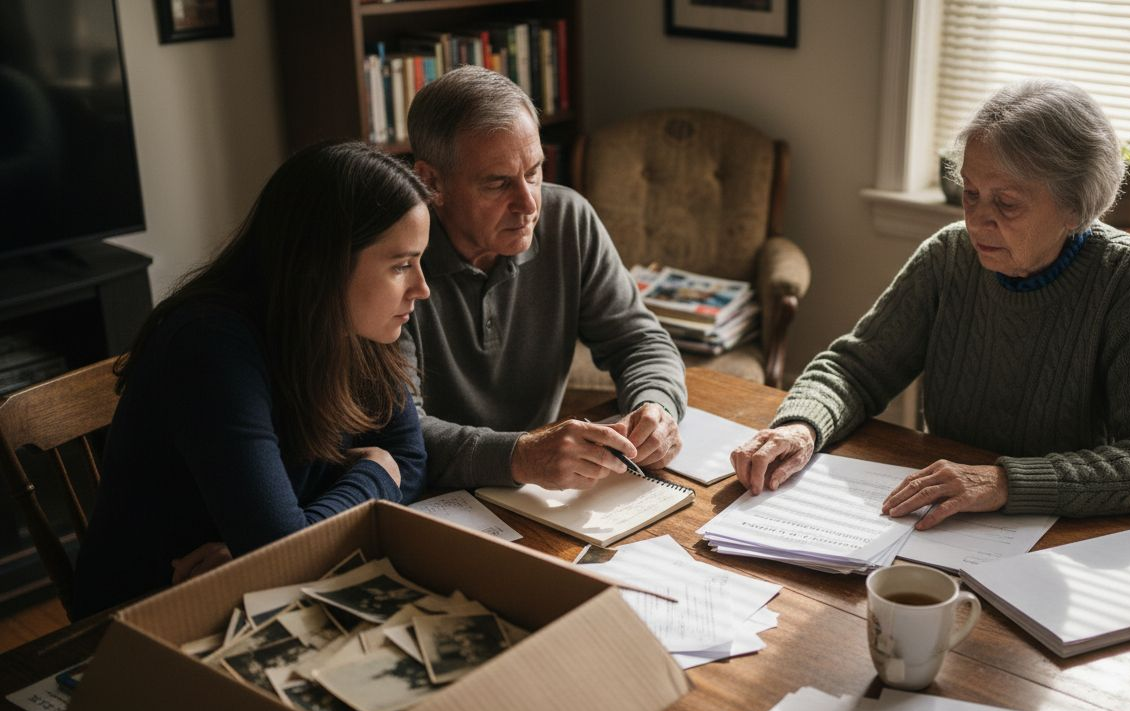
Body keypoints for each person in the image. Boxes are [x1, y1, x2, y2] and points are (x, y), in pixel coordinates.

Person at [731, 79, 1130, 529]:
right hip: (942, 520)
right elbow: (855, 369)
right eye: (971, 193)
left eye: (1007, 203)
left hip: (1064, 537)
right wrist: (801, 428)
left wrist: (1004, 482)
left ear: (1076, 206)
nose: (977, 221)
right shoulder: (949, 255)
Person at [71, 141, 431, 619]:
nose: (421, 288)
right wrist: (373, 476)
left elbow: (409, 458)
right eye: (401, 265)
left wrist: (256, 554)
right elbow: (282, 550)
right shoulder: (209, 346)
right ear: (324, 264)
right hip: (149, 615)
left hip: (266, 589)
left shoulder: (350, 325)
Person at [402, 65, 686, 492]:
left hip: (542, 492)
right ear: (431, 181)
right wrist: (522, 455)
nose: (528, 203)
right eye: (498, 184)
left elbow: (639, 341)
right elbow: (402, 432)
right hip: (435, 498)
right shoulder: (392, 260)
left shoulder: (569, 219)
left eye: (533, 172)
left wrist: (656, 407)